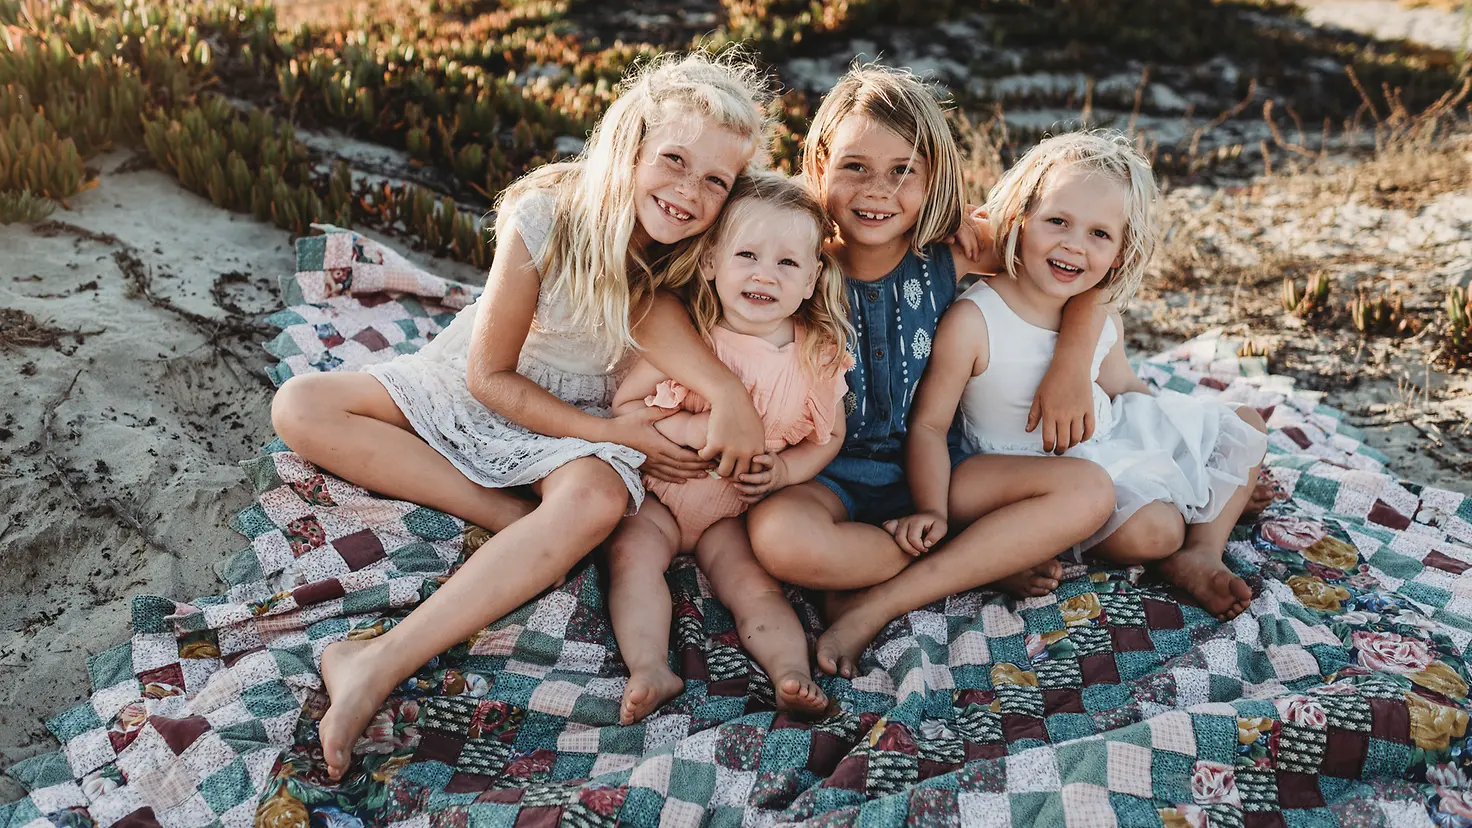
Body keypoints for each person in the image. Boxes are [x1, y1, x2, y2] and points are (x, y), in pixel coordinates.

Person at [270, 51, 774, 781]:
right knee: (302, 404)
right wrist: (611, 434)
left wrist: (730, 400)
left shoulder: (674, 265)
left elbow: (694, 346)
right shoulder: (547, 217)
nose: (688, 191)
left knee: (600, 496)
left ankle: (378, 661)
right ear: (630, 145)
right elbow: (487, 375)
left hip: (567, 426)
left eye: (715, 181)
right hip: (484, 390)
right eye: (673, 159)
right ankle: (507, 520)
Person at [742, 63, 1114, 680]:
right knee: (780, 540)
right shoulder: (792, 253)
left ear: (933, 176)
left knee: (1088, 490)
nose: (877, 191)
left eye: (902, 172)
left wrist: (1073, 363)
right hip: (822, 472)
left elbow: (1083, 269)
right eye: (855, 166)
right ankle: (976, 559)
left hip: (942, 466)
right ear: (819, 165)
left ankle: (879, 598)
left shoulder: (954, 249)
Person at [902, 130, 1269, 631]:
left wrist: (1195, 458)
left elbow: (1128, 393)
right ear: (1021, 220)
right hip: (1019, 473)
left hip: (1106, 447)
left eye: (1099, 234)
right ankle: (1179, 538)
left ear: (1119, 252)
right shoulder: (975, 320)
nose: (1074, 245)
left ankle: (1204, 550)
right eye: (1057, 221)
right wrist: (933, 509)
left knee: (1244, 424)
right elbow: (930, 424)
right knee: (1156, 532)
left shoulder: (1099, 317)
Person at [605, 171, 852, 724]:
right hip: (659, 499)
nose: (766, 274)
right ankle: (649, 666)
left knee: (755, 588)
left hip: (731, 515)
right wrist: (689, 429)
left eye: (788, 263)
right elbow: (625, 409)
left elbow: (829, 435)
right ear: (712, 262)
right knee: (631, 558)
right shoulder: (691, 335)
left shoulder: (817, 356)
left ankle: (790, 671)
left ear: (812, 279)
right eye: (748, 255)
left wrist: (786, 472)